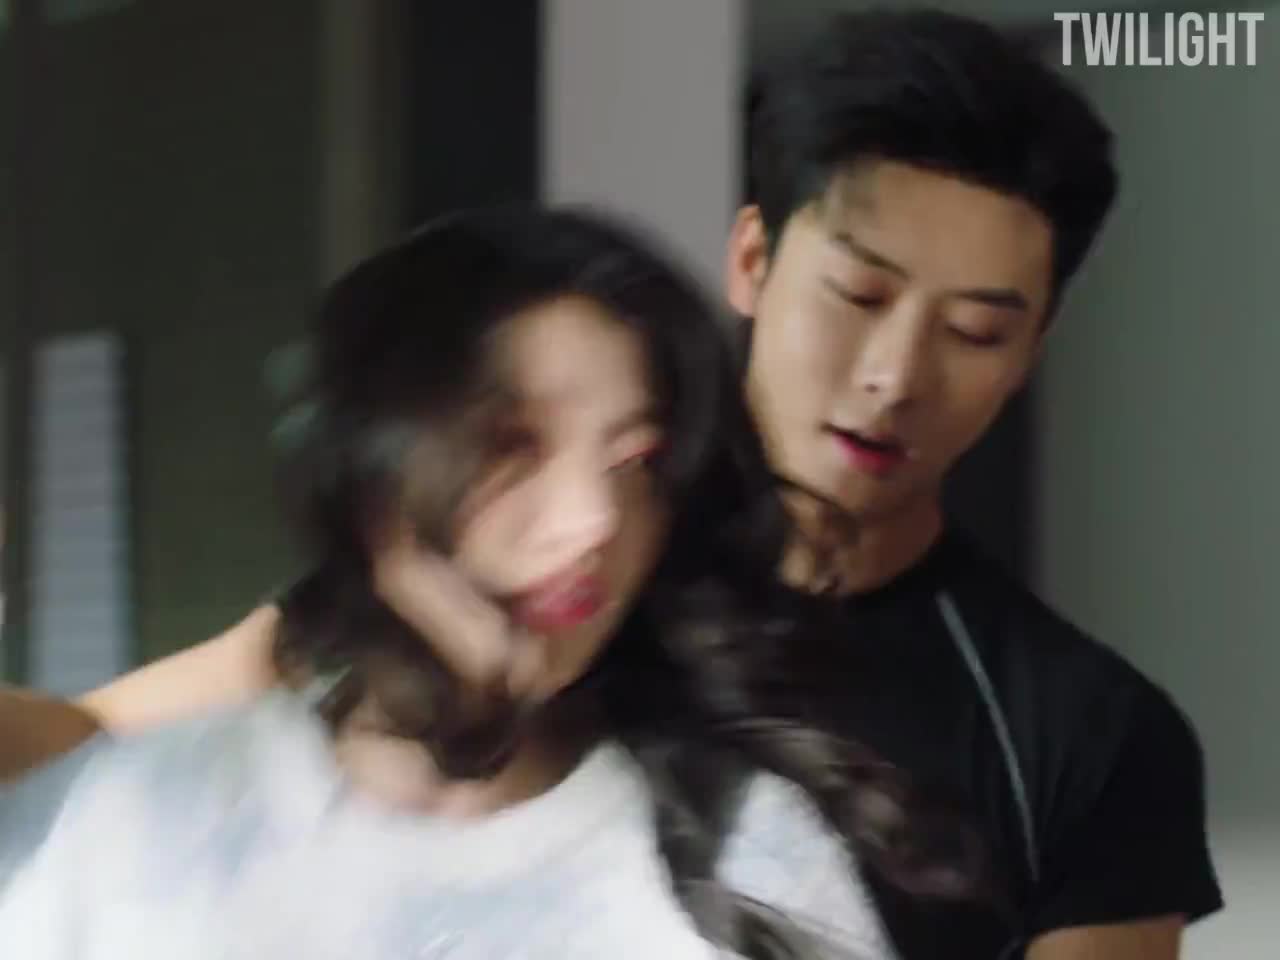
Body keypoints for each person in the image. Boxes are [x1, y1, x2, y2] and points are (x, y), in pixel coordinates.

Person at [7, 10, 1223, 959]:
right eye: (856, 296)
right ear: (751, 258)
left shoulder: (1084, 736)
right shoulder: (513, 577)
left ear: (1030, 348)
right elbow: (102, 742)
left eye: (972, 332)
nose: (891, 376)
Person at [0, 207, 980, 959]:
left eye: (635, 463)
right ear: (373, 468)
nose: (594, 522)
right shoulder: (142, 821)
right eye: (512, 445)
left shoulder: (747, 865)